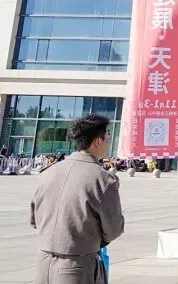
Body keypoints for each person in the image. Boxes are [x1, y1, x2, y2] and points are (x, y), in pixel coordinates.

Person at [30, 114, 125, 284]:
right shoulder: (103, 180)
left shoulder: (48, 173)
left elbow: (34, 219)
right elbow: (113, 229)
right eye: (108, 138)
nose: (109, 143)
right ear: (98, 141)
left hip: (43, 264)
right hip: (78, 267)